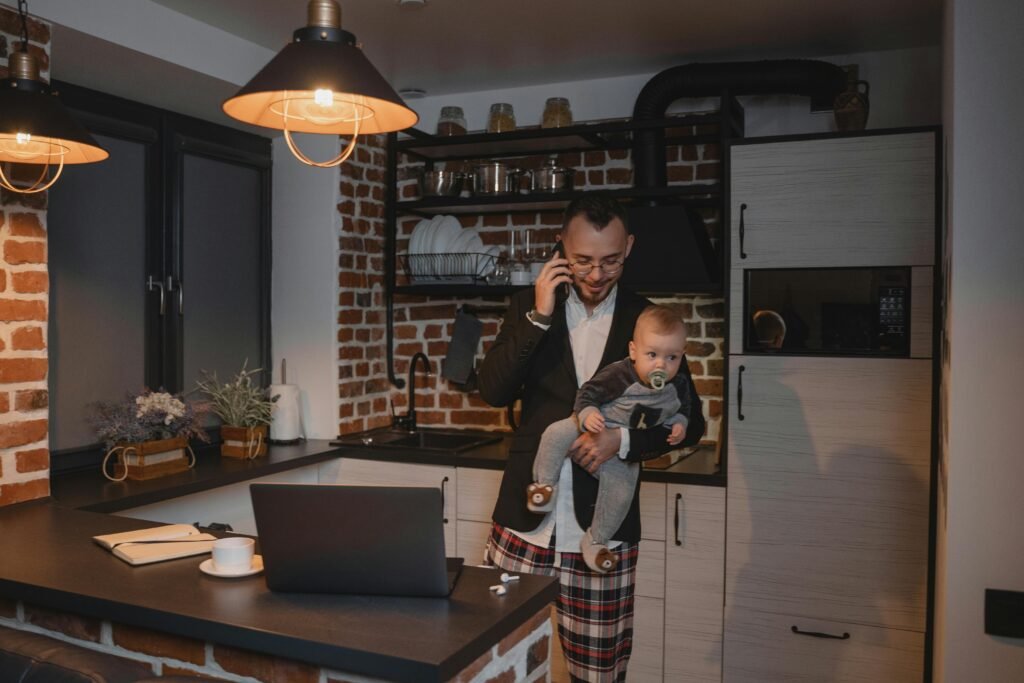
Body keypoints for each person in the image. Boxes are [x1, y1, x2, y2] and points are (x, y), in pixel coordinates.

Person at [477, 195, 705, 682]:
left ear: (629, 248)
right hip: (523, 523)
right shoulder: (528, 307)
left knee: (599, 676)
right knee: (497, 669)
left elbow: (694, 423)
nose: (597, 274)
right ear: (562, 246)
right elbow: (493, 391)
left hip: (600, 536)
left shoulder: (649, 321)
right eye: (583, 260)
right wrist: (538, 317)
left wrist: (622, 442)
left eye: (611, 260)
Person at [527, 305, 692, 574]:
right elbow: (588, 392)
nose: (661, 364)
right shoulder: (620, 373)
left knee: (621, 492)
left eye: (671, 357)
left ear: (682, 356)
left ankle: (596, 540)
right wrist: (588, 412)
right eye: (652, 355)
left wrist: (681, 424)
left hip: (619, 449)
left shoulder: (679, 385)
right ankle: (543, 486)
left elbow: (684, 410)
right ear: (633, 351)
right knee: (555, 434)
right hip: (591, 423)